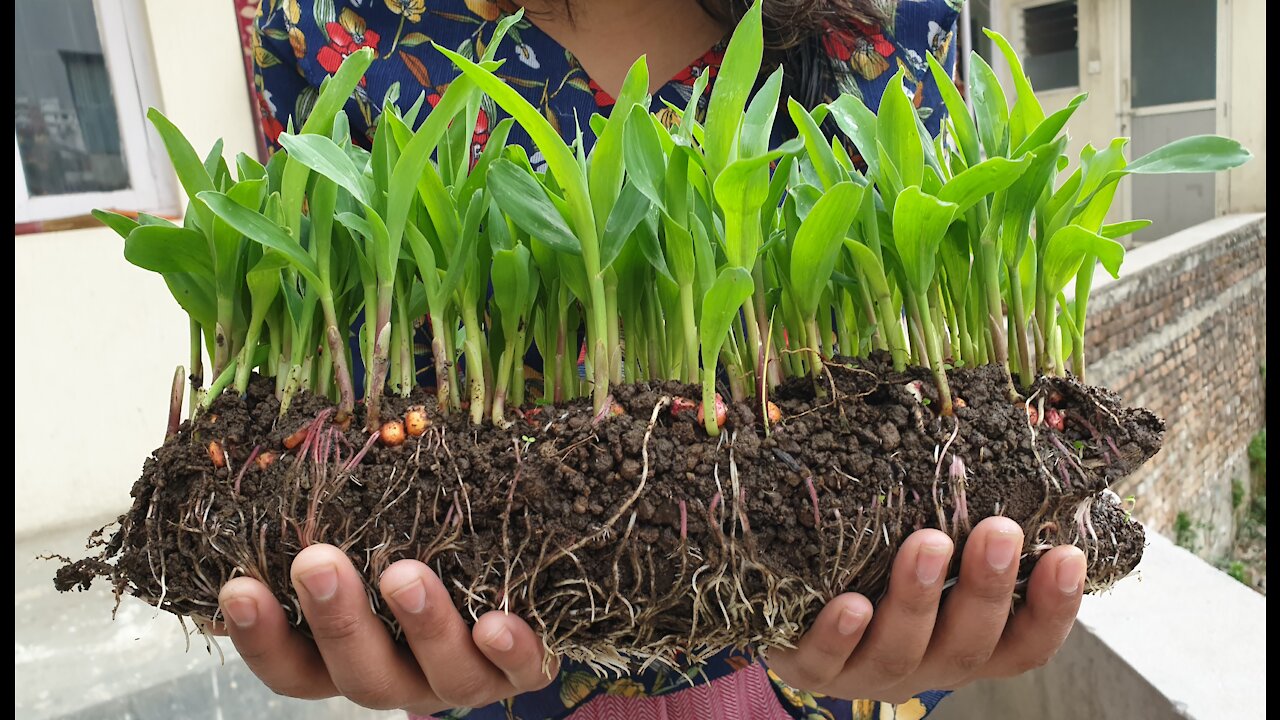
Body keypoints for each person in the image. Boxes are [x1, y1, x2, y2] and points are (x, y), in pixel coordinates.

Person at [219, 1, 1089, 718]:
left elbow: (941, 345)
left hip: (837, 672)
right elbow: (337, 355)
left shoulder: (890, 24)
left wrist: (968, 604)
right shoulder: (325, 30)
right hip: (492, 663)